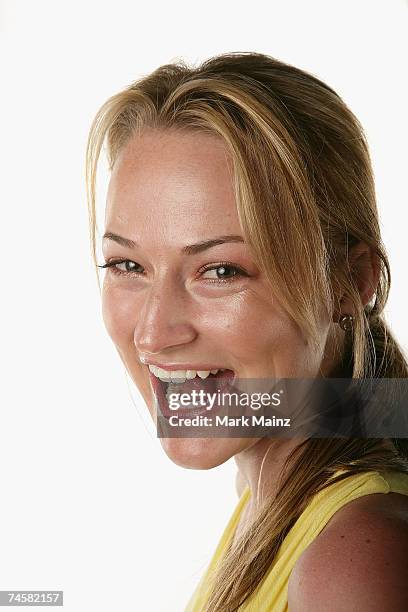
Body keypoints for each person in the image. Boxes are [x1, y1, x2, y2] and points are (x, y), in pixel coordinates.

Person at [85, 52, 408, 611]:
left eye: (220, 271)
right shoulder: (274, 498)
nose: (154, 335)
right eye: (128, 266)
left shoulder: (352, 557)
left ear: (349, 283)